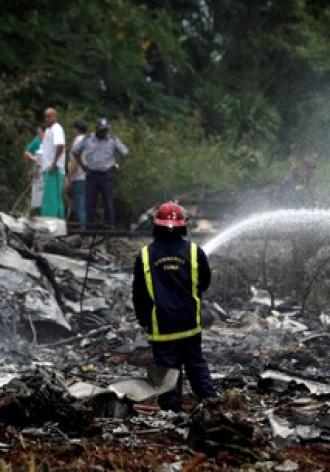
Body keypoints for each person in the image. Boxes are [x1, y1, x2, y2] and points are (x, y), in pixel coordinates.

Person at [132, 202, 215, 412]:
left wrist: (144, 320)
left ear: (155, 225)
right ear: (183, 225)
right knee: (196, 364)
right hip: (189, 323)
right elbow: (204, 283)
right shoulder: (196, 252)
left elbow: (139, 294)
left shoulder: (144, 255)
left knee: (167, 370)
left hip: (161, 326)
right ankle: (212, 403)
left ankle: (171, 413)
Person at [73, 118, 129, 229]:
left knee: (108, 201)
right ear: (97, 129)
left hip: (106, 174)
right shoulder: (88, 139)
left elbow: (125, 153)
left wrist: (117, 165)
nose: (103, 132)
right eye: (101, 130)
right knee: (89, 203)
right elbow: (75, 152)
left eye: (105, 130)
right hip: (92, 173)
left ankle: (110, 226)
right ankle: (90, 227)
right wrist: (83, 166)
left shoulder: (112, 140)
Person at [39, 108, 66, 218]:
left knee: (50, 199)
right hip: (49, 168)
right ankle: (59, 224)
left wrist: (54, 163)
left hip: (53, 169)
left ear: (55, 117)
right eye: (46, 116)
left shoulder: (56, 128)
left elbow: (60, 145)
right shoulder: (49, 130)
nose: (47, 119)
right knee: (55, 199)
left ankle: (50, 224)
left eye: (50, 116)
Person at [66, 120, 88, 229]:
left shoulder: (77, 141)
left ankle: (82, 229)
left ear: (76, 129)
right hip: (88, 176)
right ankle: (86, 227)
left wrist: (69, 177)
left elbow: (75, 161)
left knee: (79, 203)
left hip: (78, 177)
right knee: (85, 203)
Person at [23, 125, 44, 214]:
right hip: (36, 171)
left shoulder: (48, 142)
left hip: (43, 171)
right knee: (36, 194)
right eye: (38, 133)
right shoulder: (37, 141)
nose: (39, 135)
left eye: (40, 133)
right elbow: (26, 153)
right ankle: (34, 212)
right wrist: (29, 169)